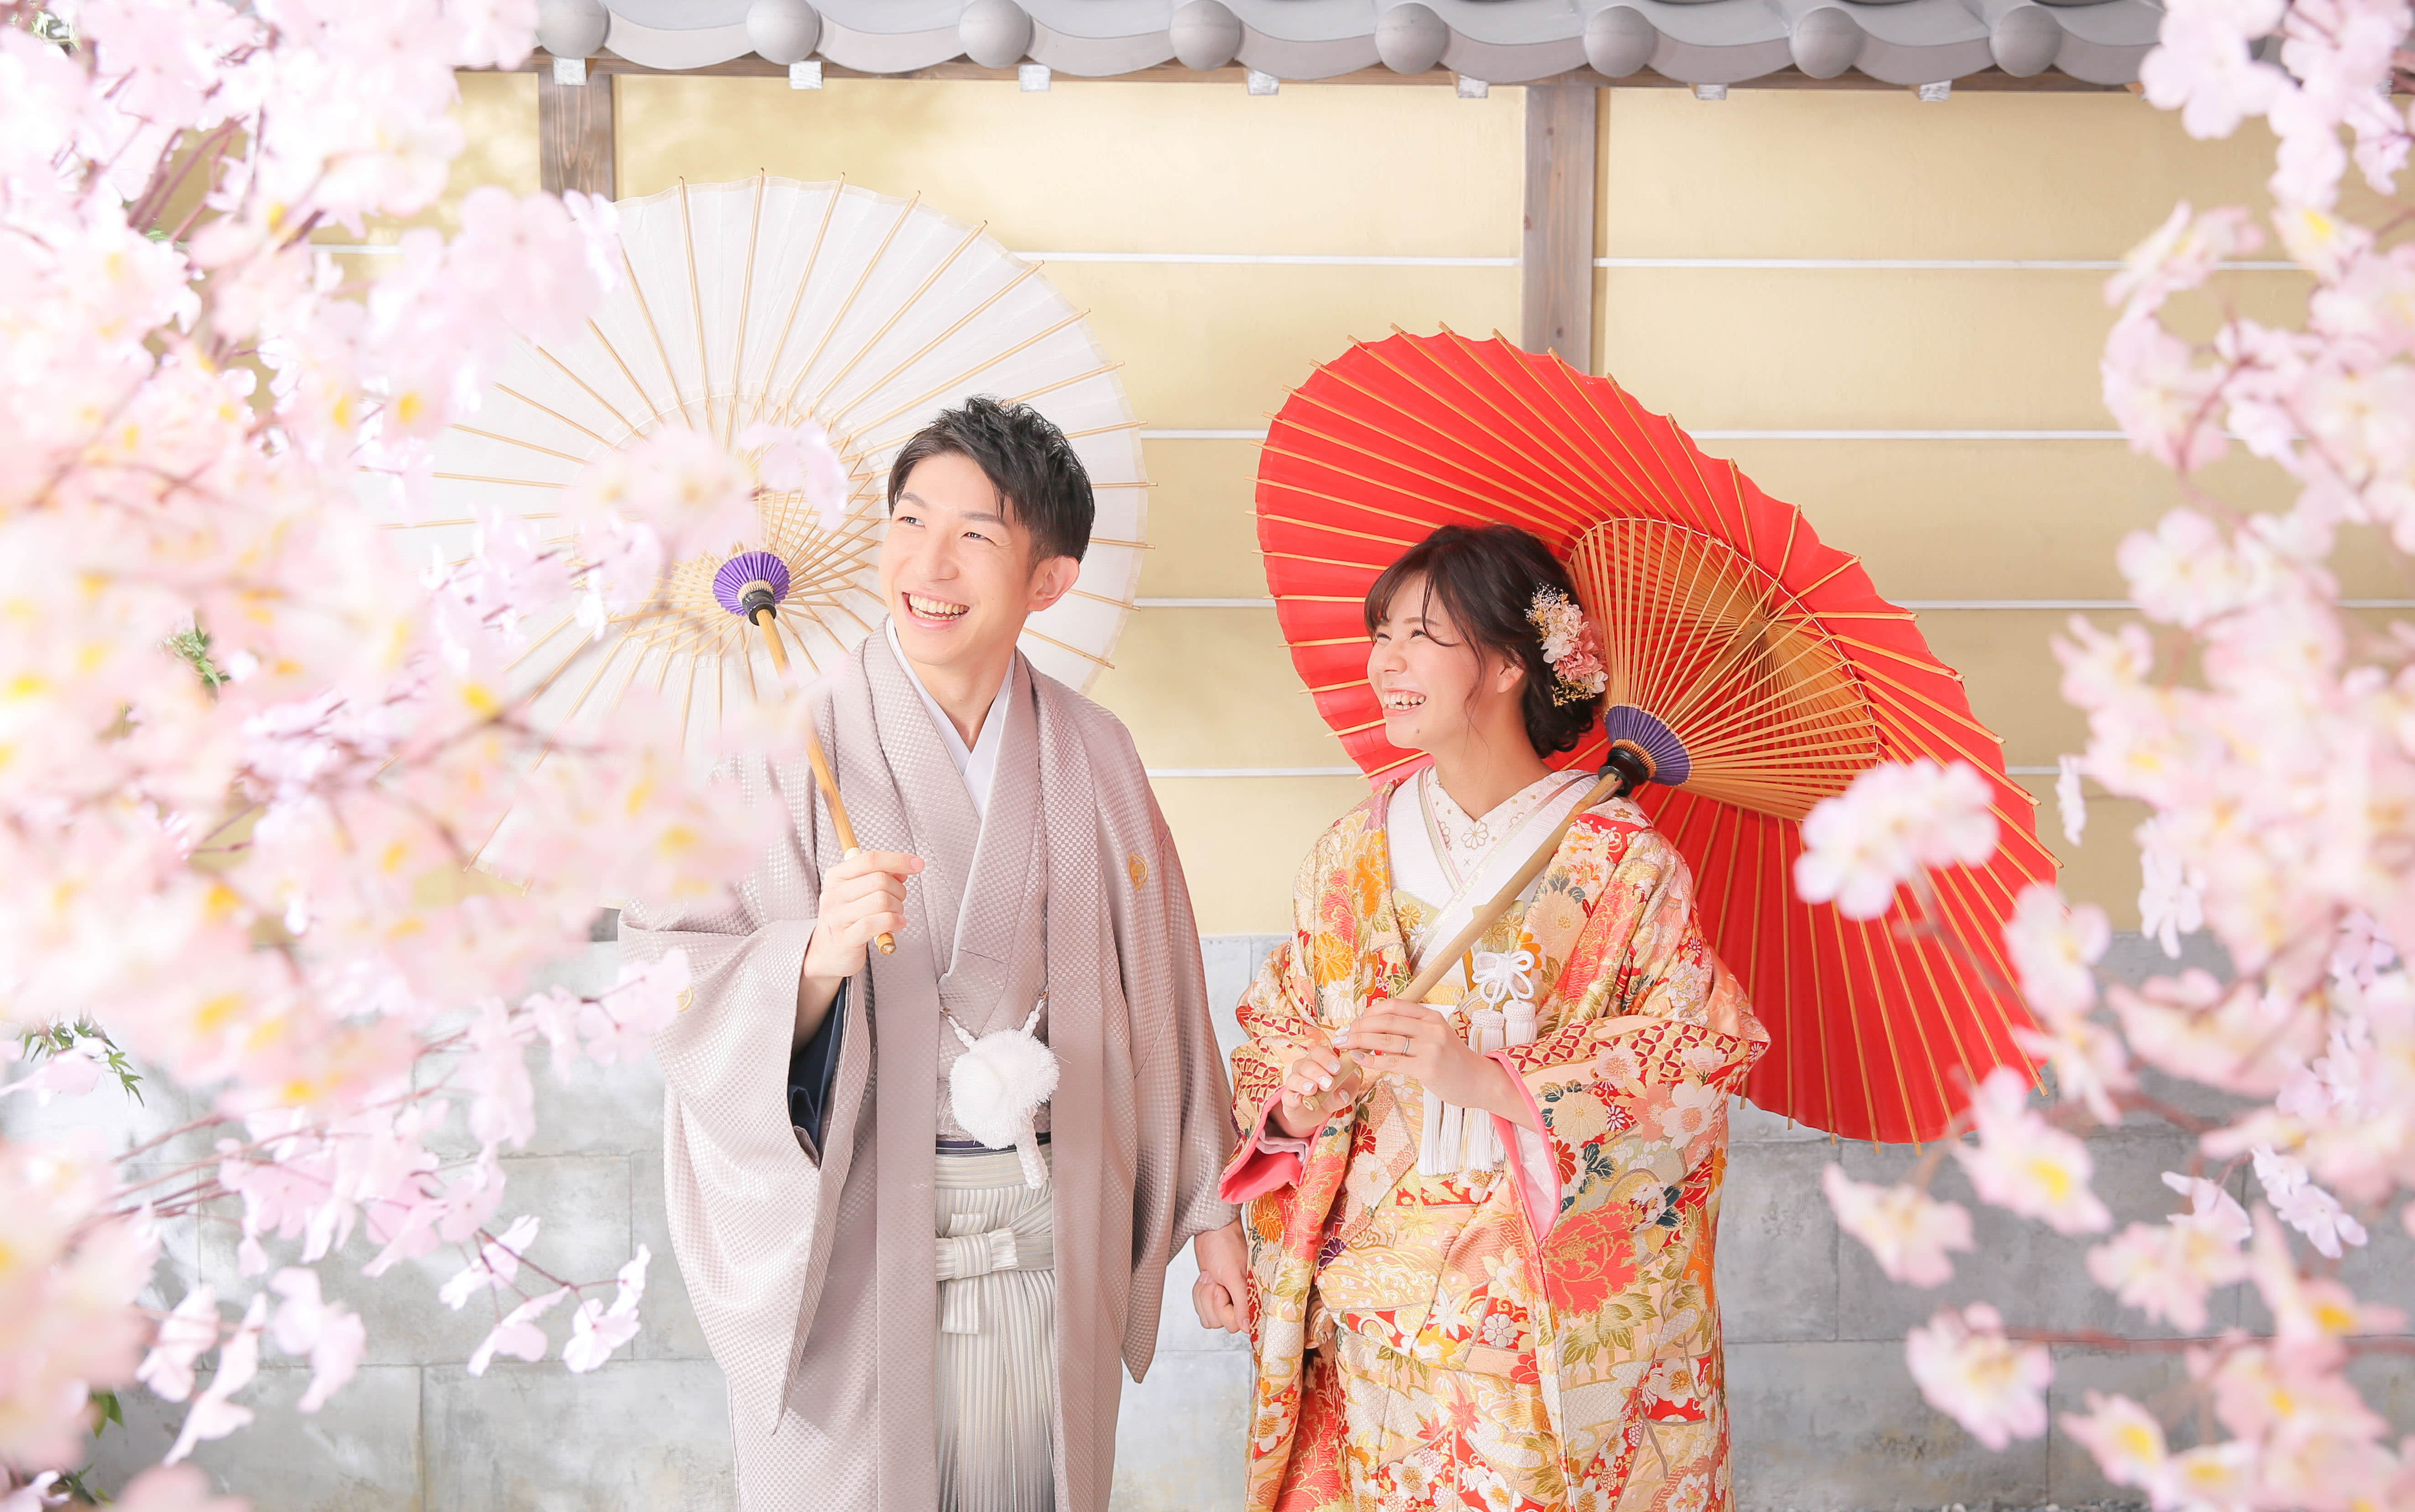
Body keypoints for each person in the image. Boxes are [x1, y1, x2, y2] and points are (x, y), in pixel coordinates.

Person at [621, 396, 1250, 1512]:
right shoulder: (777, 747)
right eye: (909, 521)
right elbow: (672, 979)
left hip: (1046, 1231)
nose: (929, 564)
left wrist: (1212, 1218)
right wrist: (812, 957)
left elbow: (1163, 988)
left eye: (975, 534)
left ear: (1048, 578)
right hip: (855, 1245)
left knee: (1030, 1486)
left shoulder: (1097, 753)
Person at [1219, 523, 1771, 1512]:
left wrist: (1490, 1080)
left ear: (1512, 664)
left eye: (1422, 636)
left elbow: (1691, 1063)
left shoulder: (1621, 862)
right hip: (1376, 1304)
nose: (1387, 662)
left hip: (1536, 1316)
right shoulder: (1350, 853)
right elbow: (1274, 1031)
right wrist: (1298, 1104)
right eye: (1383, 634)